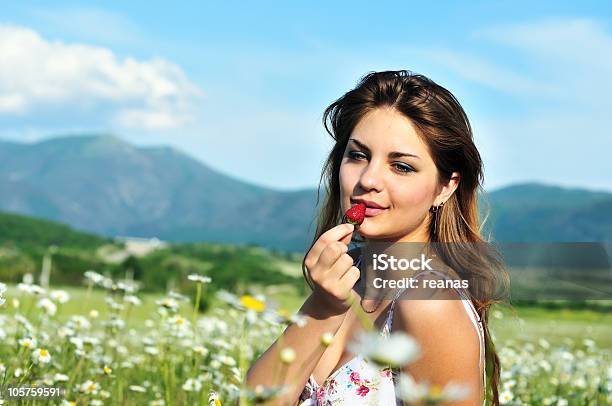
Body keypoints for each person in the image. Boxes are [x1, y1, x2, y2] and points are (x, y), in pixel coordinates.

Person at [246, 70, 508, 405]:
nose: (369, 179)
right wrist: (323, 305)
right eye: (358, 155)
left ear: (446, 187)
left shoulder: (430, 303)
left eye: (401, 167)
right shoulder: (350, 280)